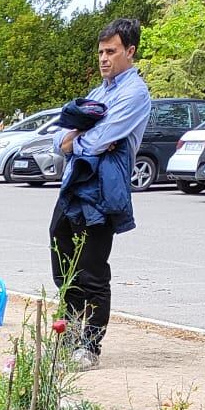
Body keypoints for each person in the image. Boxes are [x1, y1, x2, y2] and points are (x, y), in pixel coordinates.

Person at [50, 18, 149, 368]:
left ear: (130, 51)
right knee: (63, 266)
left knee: (91, 271)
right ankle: (68, 335)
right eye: (101, 52)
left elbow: (100, 140)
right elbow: (58, 136)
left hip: (102, 193)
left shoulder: (134, 93)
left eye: (111, 51)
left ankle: (89, 347)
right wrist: (74, 140)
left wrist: (76, 139)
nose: (104, 58)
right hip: (74, 187)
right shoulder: (98, 93)